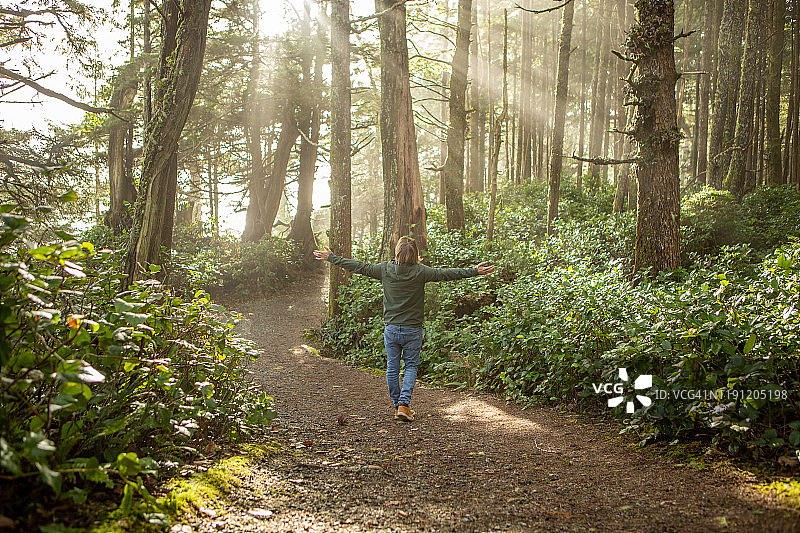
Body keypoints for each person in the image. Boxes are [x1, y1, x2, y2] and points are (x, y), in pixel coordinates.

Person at [314, 236, 495, 422]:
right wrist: (475, 271)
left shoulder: (385, 269)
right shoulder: (421, 272)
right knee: (410, 367)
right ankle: (403, 404)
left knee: (392, 368)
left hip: (391, 329)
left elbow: (359, 267)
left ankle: (398, 406)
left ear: (397, 252)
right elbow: (446, 274)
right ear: (415, 253)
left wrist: (332, 258)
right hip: (412, 330)